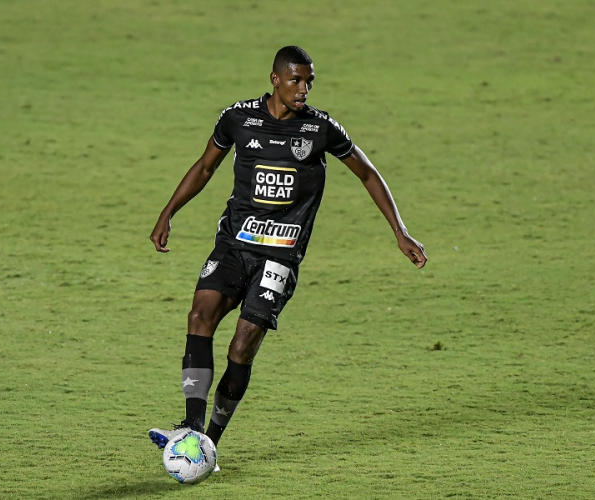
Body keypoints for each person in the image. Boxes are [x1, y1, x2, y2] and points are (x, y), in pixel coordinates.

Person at [148, 46, 427, 463]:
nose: (303, 89)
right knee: (199, 316)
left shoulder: (320, 129)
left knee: (242, 345)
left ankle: (210, 443)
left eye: (309, 82)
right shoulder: (238, 118)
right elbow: (205, 166)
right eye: (296, 80)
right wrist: (168, 212)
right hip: (234, 243)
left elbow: (368, 174)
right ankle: (191, 426)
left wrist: (400, 232)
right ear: (275, 79)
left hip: (279, 256)